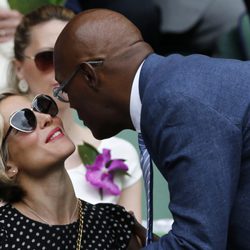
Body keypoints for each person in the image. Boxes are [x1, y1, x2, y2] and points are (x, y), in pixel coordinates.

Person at [53, 8, 250, 249]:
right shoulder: (169, 88)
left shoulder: (175, 104)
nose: (68, 101)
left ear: (89, 76)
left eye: (64, 88)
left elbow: (196, 245)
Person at [9, 5, 142, 221]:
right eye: (46, 58)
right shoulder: (4, 158)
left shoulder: (119, 153)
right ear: (18, 68)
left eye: (72, 59)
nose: (60, 70)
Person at [0, 90, 144, 249]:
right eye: (25, 120)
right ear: (7, 165)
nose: (47, 118)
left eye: (42, 107)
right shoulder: (4, 233)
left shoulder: (113, 223)